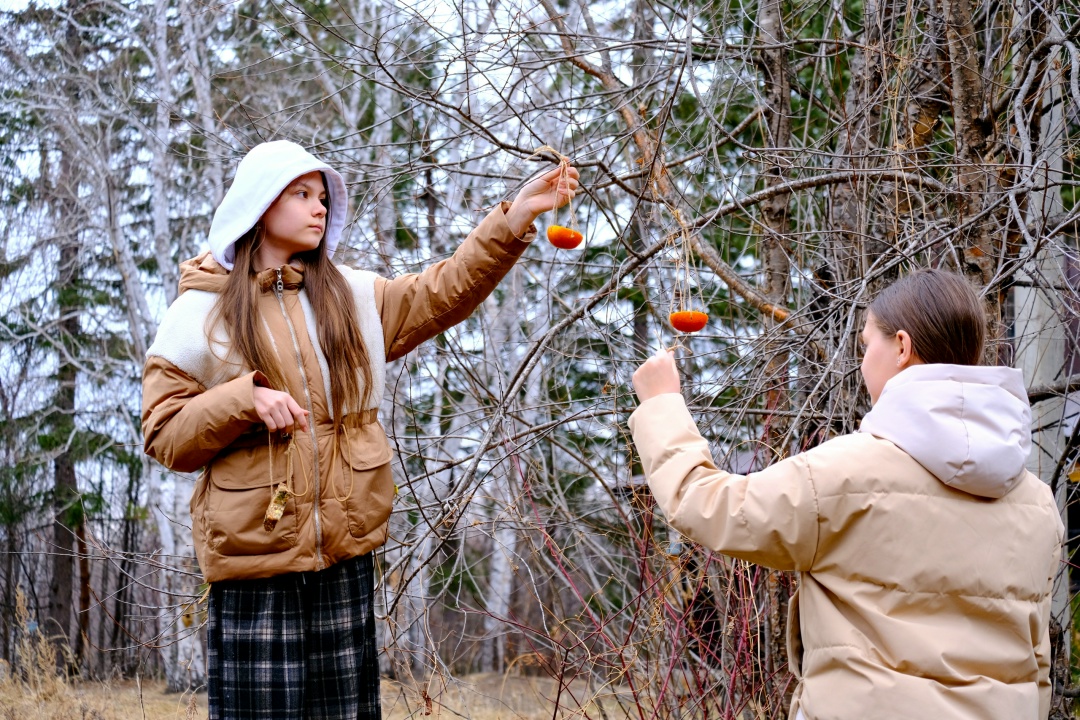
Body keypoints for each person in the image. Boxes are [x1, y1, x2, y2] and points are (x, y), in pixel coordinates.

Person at [142, 140, 579, 720]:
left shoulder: (353, 297)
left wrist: (515, 219)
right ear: (259, 204)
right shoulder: (198, 313)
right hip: (254, 564)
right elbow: (165, 434)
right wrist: (242, 400)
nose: (318, 208)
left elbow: (445, 289)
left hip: (344, 559)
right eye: (300, 195)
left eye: (322, 197)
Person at [628, 269, 1062, 720]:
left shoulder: (846, 474)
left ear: (901, 346)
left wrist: (661, 405)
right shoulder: (1038, 504)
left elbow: (709, 505)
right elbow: (1036, 662)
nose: (861, 362)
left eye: (864, 344)